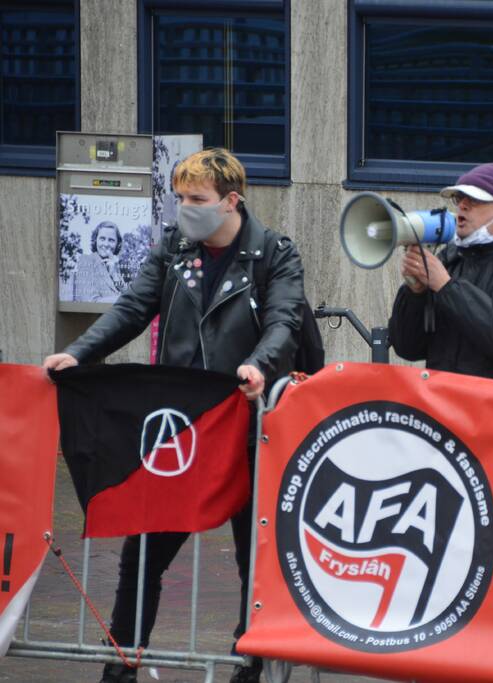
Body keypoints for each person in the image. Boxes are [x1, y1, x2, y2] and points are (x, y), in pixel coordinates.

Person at [43, 148, 305, 683]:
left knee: (251, 559)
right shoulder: (175, 247)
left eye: (197, 199)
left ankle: (248, 663)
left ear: (232, 201)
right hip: (180, 428)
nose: (185, 208)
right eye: (180, 197)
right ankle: (122, 663)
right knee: (143, 552)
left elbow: (285, 322)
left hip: (250, 429)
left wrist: (258, 366)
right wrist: (80, 352)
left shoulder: (274, 252)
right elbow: (132, 308)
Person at [388, 161, 493, 387]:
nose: (463, 206)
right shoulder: (451, 258)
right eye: (459, 199)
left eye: (476, 200)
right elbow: (408, 347)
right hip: (444, 405)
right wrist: (415, 292)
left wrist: (446, 286)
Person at [74, 221, 126, 302]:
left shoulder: (114, 265)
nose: (106, 244)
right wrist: (124, 300)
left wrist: (114, 275)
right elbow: (90, 301)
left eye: (111, 240)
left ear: (117, 244)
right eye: (102, 239)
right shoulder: (86, 260)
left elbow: (127, 294)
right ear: (96, 240)